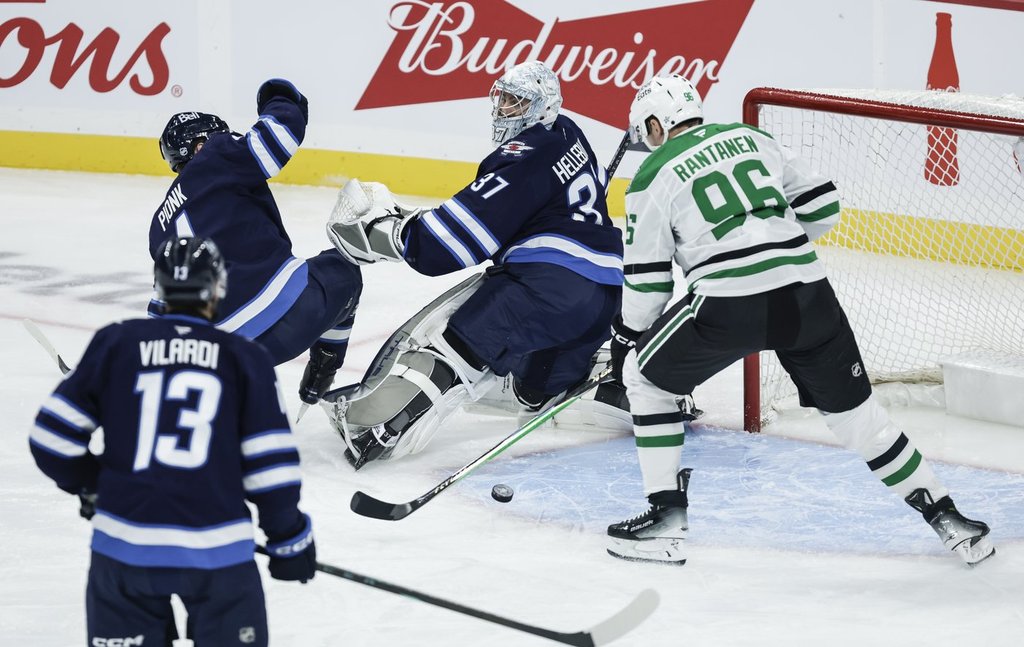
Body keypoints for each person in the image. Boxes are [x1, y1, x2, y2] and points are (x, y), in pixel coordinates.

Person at [605, 74, 995, 567]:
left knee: (645, 380)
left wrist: (626, 335)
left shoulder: (651, 174)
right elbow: (824, 209)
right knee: (859, 419)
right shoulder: (752, 138)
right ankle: (948, 517)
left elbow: (648, 287)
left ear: (655, 125)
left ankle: (665, 518)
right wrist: (773, 245)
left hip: (728, 305)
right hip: (809, 297)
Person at [321, 60, 631, 469]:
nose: (504, 109)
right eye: (503, 99)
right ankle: (623, 383)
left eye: (517, 103)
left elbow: (455, 240)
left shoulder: (523, 155)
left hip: (545, 289)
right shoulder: (568, 131)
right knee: (536, 390)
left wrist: (396, 234)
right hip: (605, 296)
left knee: (454, 345)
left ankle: (376, 426)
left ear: (544, 108)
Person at [29, 236, 317, 646]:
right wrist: (289, 537)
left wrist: (96, 485)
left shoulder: (118, 343)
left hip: (124, 553)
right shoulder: (243, 357)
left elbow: (52, 439)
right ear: (218, 288)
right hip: (219, 555)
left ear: (159, 287)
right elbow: (270, 466)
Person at [150, 78, 362, 408]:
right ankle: (321, 376)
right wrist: (281, 97)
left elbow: (161, 310)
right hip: (288, 323)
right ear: (200, 146)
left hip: (216, 357)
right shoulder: (215, 157)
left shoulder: (160, 224)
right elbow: (279, 136)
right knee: (344, 268)